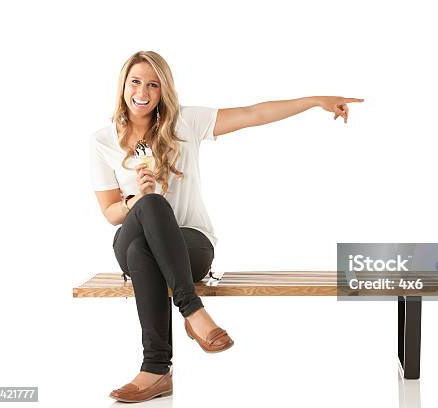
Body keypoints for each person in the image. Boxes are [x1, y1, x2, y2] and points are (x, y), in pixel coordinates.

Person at [90, 50, 363, 403]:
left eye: (153, 84)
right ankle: (193, 311)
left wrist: (314, 101)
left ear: (163, 91)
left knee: (143, 251)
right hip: (130, 235)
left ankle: (156, 370)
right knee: (150, 207)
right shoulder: (102, 140)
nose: (142, 91)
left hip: (191, 246)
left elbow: (254, 113)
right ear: (123, 86)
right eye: (136, 82)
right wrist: (137, 200)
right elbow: (111, 211)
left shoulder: (183, 123)